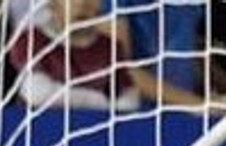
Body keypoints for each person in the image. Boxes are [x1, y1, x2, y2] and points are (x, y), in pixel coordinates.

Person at [9, 0, 140, 111]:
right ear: (52, 4)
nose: (82, 4)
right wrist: (100, 102)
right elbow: (36, 93)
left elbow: (129, 100)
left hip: (96, 129)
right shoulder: (30, 40)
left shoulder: (110, 47)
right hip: (42, 128)